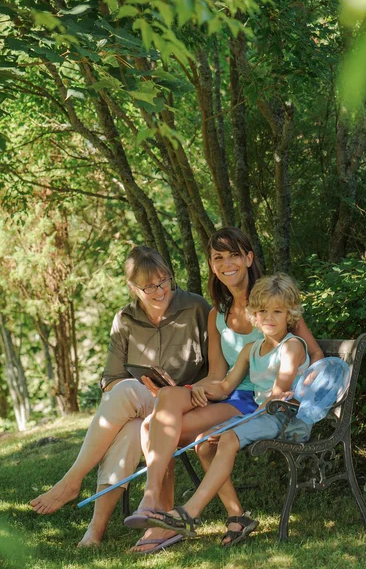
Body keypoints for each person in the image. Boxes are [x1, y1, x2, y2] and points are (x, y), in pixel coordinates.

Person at [125, 229, 323, 550]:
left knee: (156, 429)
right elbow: (218, 375)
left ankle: (161, 520)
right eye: (218, 257)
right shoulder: (217, 315)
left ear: (248, 258)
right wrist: (199, 390)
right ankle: (158, 507)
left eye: (233, 254)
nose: (226, 263)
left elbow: (312, 353)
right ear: (212, 266)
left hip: (254, 402)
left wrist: (311, 381)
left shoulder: (272, 305)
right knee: (167, 403)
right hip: (231, 395)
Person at [30, 246, 210, 550]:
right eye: (148, 286)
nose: (158, 290)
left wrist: (178, 390)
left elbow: (217, 366)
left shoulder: (196, 308)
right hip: (147, 406)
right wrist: (147, 388)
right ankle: (95, 531)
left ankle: (72, 481)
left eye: (164, 280)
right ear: (133, 288)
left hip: (189, 403)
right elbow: (111, 380)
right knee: (128, 426)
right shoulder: (125, 319)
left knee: (127, 391)